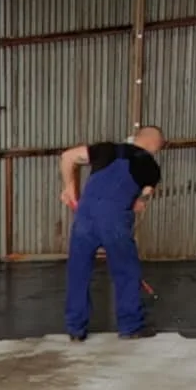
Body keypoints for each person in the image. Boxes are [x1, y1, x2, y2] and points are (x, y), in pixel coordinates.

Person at [60, 125, 165, 341]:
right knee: (126, 271)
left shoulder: (106, 149)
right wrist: (139, 201)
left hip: (85, 217)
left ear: (136, 137)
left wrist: (69, 187)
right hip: (115, 219)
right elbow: (142, 200)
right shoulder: (151, 168)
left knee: (78, 272)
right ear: (156, 145)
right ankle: (130, 326)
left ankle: (75, 329)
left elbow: (68, 156)